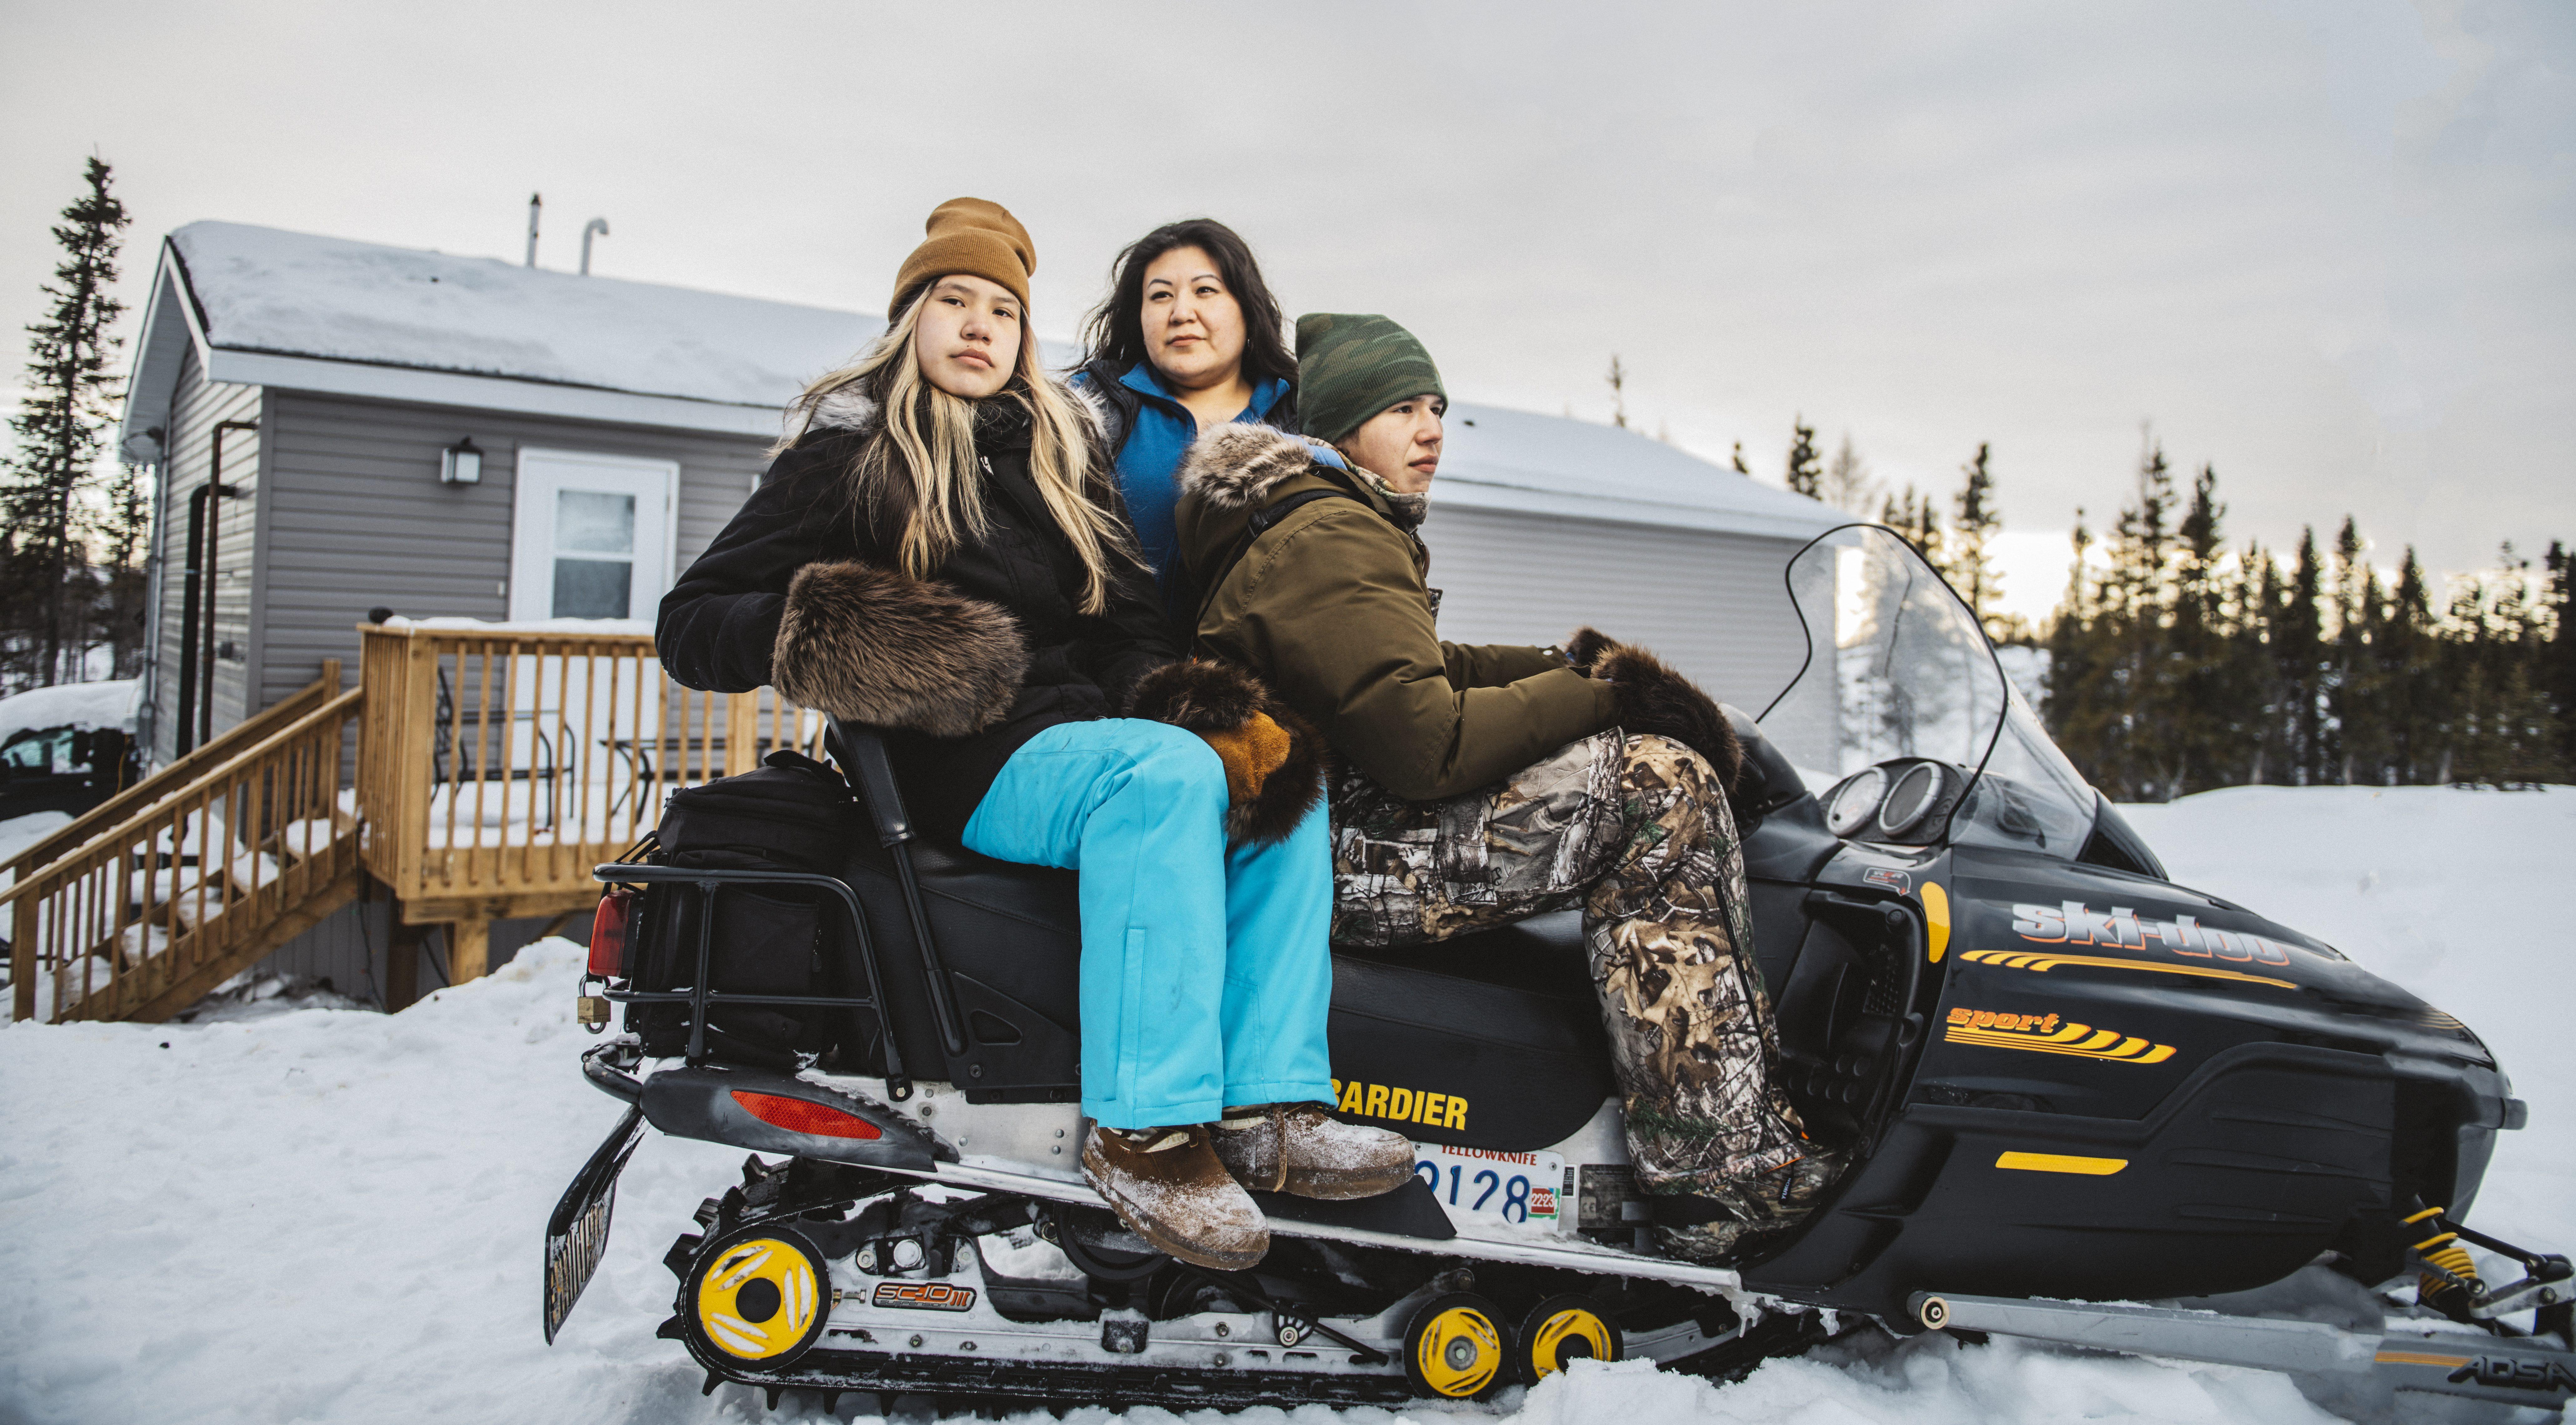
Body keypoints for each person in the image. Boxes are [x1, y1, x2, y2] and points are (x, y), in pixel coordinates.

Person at [655, 200, 1412, 1270]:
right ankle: (1144, 1133)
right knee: (1158, 778)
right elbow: (689, 624)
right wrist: (852, 633)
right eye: (952, 303)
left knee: (1275, 770)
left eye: (1002, 311)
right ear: (909, 321)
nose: (979, 327)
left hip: (1082, 738)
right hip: (960, 758)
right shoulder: (851, 457)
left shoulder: (1060, 455)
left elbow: (1127, 625)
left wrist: (1182, 699)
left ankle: (1271, 1103)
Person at [1170, 312, 1843, 1261]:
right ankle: (1719, 1168)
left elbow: (1418, 672)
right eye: (1404, 406)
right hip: (1328, 856)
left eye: (1438, 406)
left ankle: (1695, 1121)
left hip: (1327, 830)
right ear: (1344, 425)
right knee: (1659, 786)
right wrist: (1604, 701)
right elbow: (1425, 748)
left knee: (1644, 772)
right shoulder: (1327, 534)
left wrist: (1573, 667)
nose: (1433, 427)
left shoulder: (1323, 523)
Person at [1071, 219, 1300, 604]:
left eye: (1205, 290)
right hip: (1105, 654)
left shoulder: (1300, 416)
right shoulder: (1085, 404)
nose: (1181, 313)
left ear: (1247, 306)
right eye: (1160, 296)